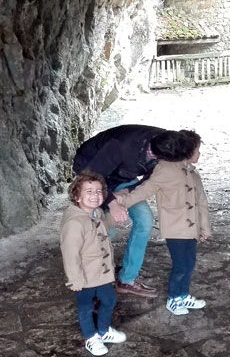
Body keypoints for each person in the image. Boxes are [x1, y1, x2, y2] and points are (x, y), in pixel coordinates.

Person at [72, 125, 185, 298]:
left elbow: (152, 178)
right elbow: (90, 179)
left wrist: (130, 189)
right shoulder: (121, 146)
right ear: (153, 153)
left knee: (145, 220)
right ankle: (97, 279)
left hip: (121, 177)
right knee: (104, 227)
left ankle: (127, 279)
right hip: (90, 172)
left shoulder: (168, 143)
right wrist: (112, 203)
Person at [114, 130, 211, 315]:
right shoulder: (164, 170)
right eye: (197, 150)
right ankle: (174, 299)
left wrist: (204, 227)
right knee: (181, 265)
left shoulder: (191, 171)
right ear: (186, 152)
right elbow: (145, 189)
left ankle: (183, 295)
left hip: (191, 229)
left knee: (189, 263)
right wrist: (122, 201)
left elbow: (202, 202)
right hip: (176, 229)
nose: (199, 153)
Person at [60, 171, 127, 356]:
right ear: (76, 196)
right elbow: (70, 253)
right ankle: (91, 337)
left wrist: (118, 213)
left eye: (98, 191)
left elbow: (104, 224)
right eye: (89, 191)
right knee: (85, 307)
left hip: (102, 274)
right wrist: (75, 279)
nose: (95, 195)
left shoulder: (96, 212)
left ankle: (104, 331)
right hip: (84, 276)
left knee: (109, 300)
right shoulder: (74, 223)